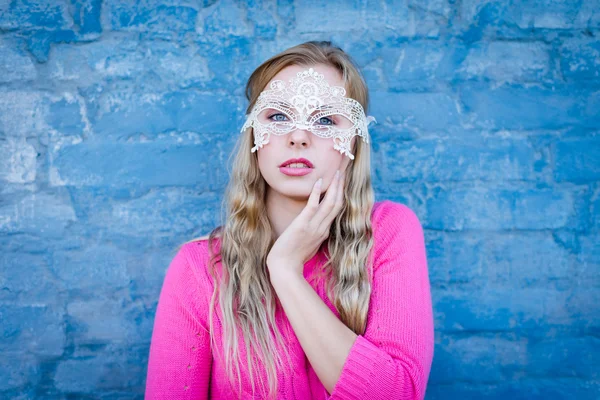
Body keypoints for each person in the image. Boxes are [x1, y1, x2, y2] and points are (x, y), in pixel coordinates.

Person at [144, 41, 434, 400]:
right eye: (278, 116)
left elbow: (397, 394)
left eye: (326, 120)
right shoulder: (199, 269)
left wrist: (285, 270)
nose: (298, 137)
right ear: (254, 135)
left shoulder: (388, 232)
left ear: (354, 143)